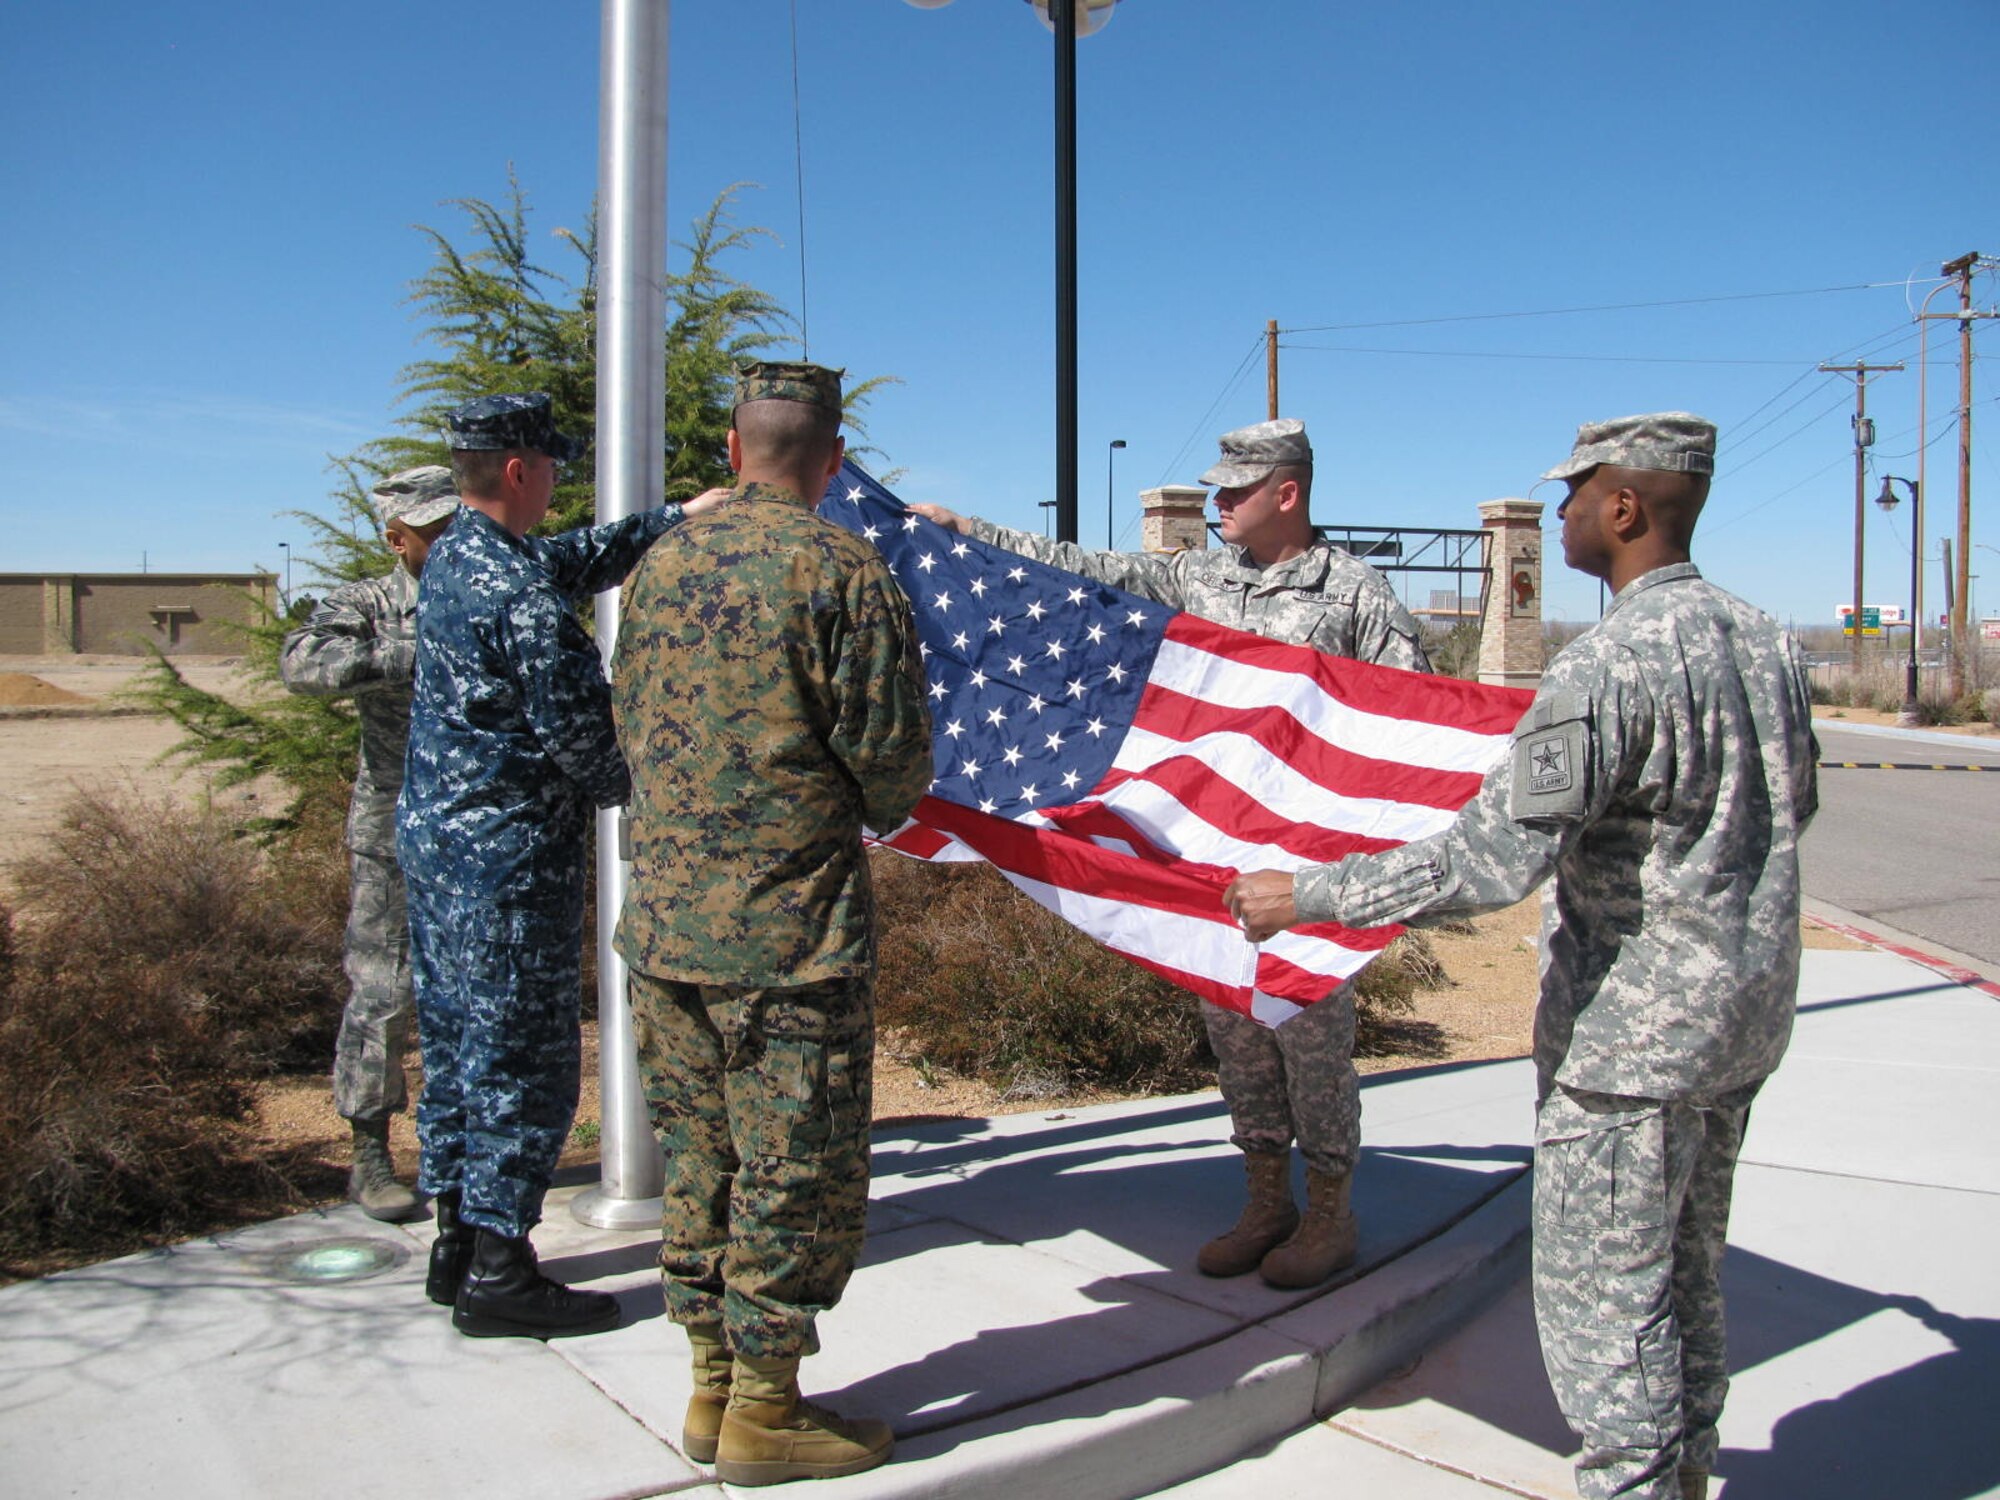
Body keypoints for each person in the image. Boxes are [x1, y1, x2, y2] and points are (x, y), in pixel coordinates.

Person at [1225, 413, 1819, 1500]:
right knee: (1686, 1280)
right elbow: (1792, 804)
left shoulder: (1606, 664)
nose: (1559, 514)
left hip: (1631, 1046)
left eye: (1573, 496)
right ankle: (1685, 1476)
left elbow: (1494, 860)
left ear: (1624, 508)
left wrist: (1309, 894)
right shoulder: (1765, 639)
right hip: (1742, 1020)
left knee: (1608, 1308)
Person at [910, 417, 1429, 1290]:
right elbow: (1090, 574)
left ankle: (1332, 1211)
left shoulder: (1355, 594)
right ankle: (1267, 1197)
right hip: (1216, 863)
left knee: (1310, 1035)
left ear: (1287, 493)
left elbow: (1405, 721)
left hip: (1306, 871)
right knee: (1234, 1027)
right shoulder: (1199, 577)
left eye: (1236, 489)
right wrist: (973, 534)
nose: (1219, 502)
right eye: (1219, 488)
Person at [613, 361, 931, 1485]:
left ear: (735, 446)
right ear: (832, 459)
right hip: (788, 943)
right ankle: (763, 1409)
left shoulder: (659, 563)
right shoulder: (842, 569)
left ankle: (708, 1385)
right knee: (793, 1169)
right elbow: (892, 772)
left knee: (701, 1162)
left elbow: (630, 722)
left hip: (662, 932)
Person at [397, 391, 724, 1339]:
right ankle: (503, 1270)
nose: (557, 482)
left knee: (458, 1048)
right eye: (550, 466)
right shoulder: (519, 599)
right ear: (516, 470)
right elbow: (594, 748)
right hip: (508, 871)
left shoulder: (464, 554)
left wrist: (671, 521)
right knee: (523, 1063)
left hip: (445, 856)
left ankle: (457, 1239)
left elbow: (573, 555)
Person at [279, 466, 460, 1222]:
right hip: (392, 825)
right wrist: (407, 656)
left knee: (471, 996)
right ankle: (370, 1154)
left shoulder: (490, 586)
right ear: (397, 538)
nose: (451, 538)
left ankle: (462, 1151)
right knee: (384, 993)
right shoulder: (370, 603)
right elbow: (301, 665)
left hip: (474, 829)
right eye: (434, 529)